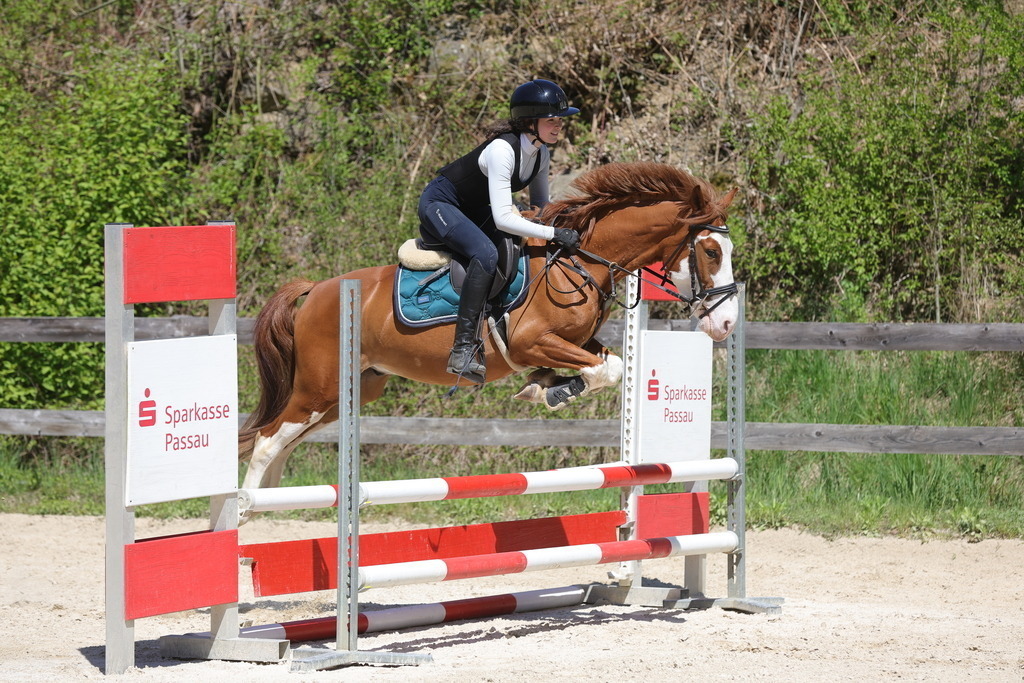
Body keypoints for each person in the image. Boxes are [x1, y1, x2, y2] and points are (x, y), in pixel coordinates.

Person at [417, 78, 582, 385]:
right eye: (552, 120)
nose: (559, 125)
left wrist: (568, 223)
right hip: (440, 204)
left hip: (477, 210)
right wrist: (553, 235)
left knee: (515, 247)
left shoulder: (541, 152)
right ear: (530, 123)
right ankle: (462, 349)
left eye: (561, 120)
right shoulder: (501, 150)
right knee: (485, 252)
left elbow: (541, 207)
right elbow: (506, 218)